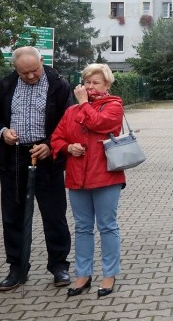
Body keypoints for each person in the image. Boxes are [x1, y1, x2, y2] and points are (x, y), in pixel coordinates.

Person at [0, 46, 72, 291]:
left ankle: (59, 266)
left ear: (41, 61)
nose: (31, 76)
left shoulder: (59, 84)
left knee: (54, 214)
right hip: (13, 157)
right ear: (15, 69)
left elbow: (69, 121)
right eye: (25, 73)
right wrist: (3, 132)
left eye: (34, 70)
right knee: (13, 214)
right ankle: (17, 267)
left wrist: (50, 145)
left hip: (47, 157)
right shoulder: (5, 86)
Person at [50, 63, 125, 298]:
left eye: (96, 83)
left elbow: (100, 124)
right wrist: (67, 147)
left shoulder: (114, 106)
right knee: (82, 228)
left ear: (107, 85)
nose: (90, 87)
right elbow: (56, 138)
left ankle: (109, 274)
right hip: (76, 178)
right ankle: (83, 274)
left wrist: (83, 103)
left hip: (105, 176)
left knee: (107, 226)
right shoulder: (71, 112)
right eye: (87, 82)